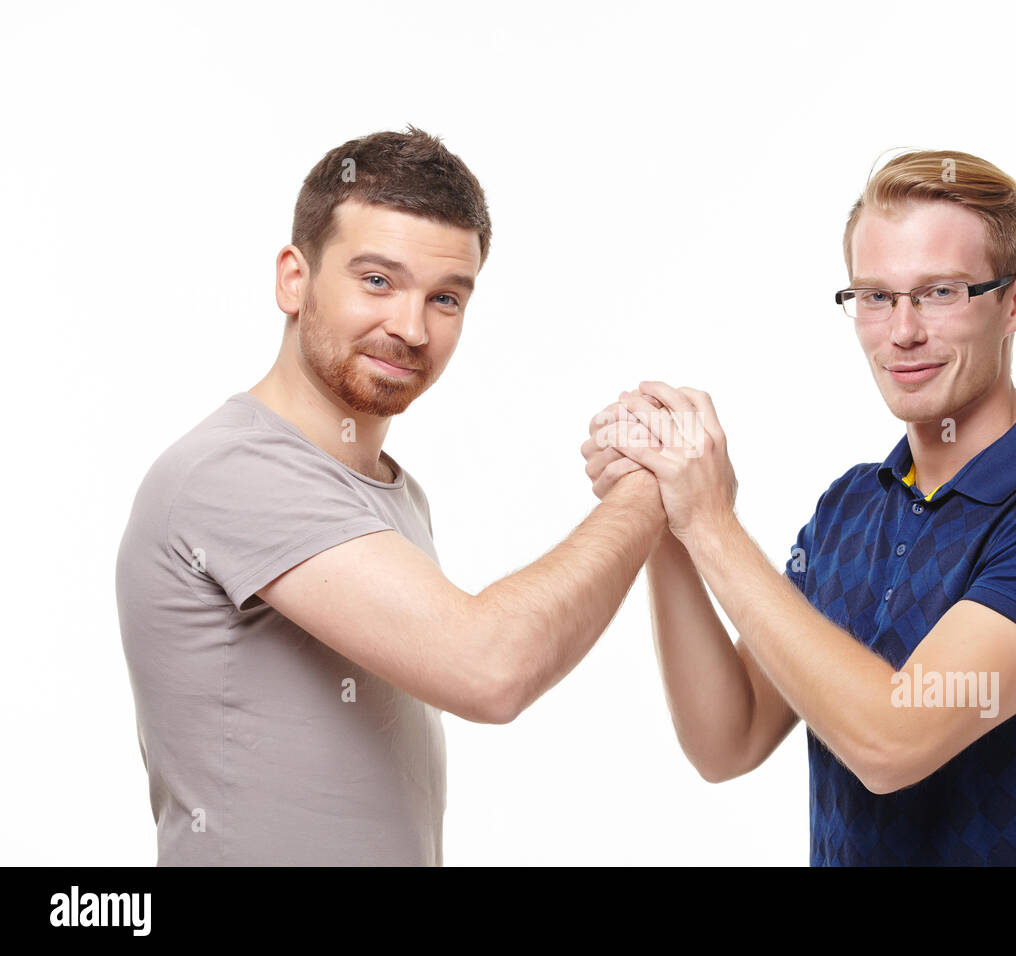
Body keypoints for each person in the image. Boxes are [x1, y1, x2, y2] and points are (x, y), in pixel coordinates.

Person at [583, 149, 1016, 865]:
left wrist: (712, 522)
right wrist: (669, 522)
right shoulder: (849, 508)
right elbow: (725, 740)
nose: (903, 332)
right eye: (876, 296)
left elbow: (892, 741)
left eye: (941, 293)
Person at [115, 125, 665, 865]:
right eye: (377, 280)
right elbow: (489, 669)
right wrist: (648, 490)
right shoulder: (232, 472)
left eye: (445, 298)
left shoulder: (390, 494)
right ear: (293, 277)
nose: (410, 328)